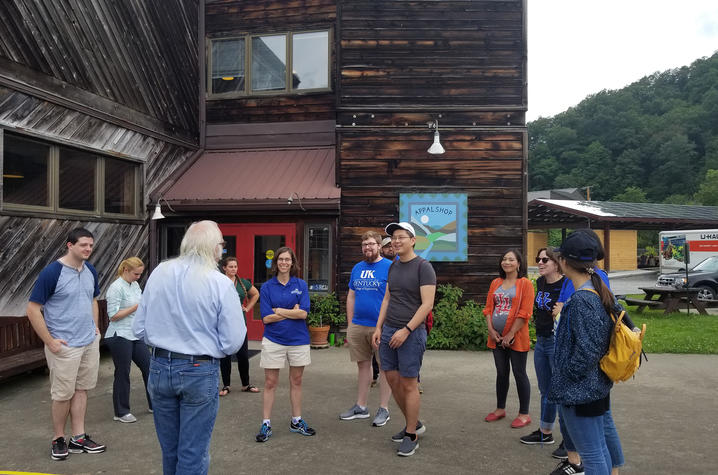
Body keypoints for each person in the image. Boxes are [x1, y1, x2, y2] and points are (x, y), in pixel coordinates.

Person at [133, 221, 246, 475]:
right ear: (214, 247)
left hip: (160, 365)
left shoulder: (160, 272)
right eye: (222, 244)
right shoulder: (219, 282)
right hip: (198, 368)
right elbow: (233, 341)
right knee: (193, 453)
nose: (222, 250)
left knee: (171, 451)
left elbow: (139, 328)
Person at [550, 229, 626, 475]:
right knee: (598, 450)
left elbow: (587, 351)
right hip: (595, 387)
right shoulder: (597, 291)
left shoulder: (583, 300)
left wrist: (566, 376)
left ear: (563, 261)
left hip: (580, 391)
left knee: (592, 455)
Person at [27, 227, 106, 461]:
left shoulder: (90, 269)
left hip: (88, 342)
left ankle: (78, 438)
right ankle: (58, 438)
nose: (88, 249)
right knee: (62, 394)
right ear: (69, 245)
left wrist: (95, 328)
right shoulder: (52, 272)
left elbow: (93, 299)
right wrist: (50, 341)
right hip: (64, 345)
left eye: (91, 245)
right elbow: (32, 310)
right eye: (83, 245)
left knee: (81, 390)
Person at [372, 222, 436, 457]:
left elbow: (427, 304)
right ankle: (414, 422)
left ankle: (411, 434)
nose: (396, 241)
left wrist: (407, 330)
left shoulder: (423, 267)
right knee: (391, 378)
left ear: (413, 240)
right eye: (393, 238)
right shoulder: (393, 267)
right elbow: (387, 299)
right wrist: (379, 327)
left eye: (401, 237)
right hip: (389, 330)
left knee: (409, 384)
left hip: (411, 333)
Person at [255, 247, 315, 443]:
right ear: (276, 263)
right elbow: (266, 318)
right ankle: (266, 423)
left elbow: (304, 314)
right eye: (281, 259)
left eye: (287, 259)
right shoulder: (267, 287)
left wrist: (279, 310)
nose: (284, 262)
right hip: (274, 340)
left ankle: (296, 421)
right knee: (270, 383)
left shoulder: (301, 284)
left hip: (298, 341)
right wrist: (292, 311)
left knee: (296, 381)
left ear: (292, 262)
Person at [340, 231, 393, 427]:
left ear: (379, 246)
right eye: (364, 245)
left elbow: (393, 297)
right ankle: (361, 407)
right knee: (363, 365)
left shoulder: (389, 267)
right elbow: (351, 296)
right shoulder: (357, 268)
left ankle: (384, 409)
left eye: (371, 244)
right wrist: (350, 323)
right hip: (358, 325)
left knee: (385, 368)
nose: (367, 248)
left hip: (381, 327)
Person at [483, 249, 534, 429]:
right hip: (496, 337)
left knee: (519, 373)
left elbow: (525, 312)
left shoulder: (525, 284)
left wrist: (510, 334)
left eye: (511, 259)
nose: (507, 262)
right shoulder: (496, 282)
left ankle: (524, 413)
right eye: (504, 259)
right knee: (501, 373)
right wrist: (491, 330)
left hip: (516, 337)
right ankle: (500, 409)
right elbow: (489, 308)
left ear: (519, 264)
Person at [520, 248, 564, 446]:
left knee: (561, 391)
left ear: (556, 262)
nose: (540, 262)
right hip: (542, 340)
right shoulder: (540, 282)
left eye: (545, 259)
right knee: (545, 390)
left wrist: (565, 306)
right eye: (538, 259)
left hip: (557, 342)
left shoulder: (567, 284)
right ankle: (545, 432)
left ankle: (570, 441)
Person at [105, 257, 152, 423]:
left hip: (134, 334)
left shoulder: (135, 285)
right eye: (136, 274)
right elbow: (113, 316)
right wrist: (136, 307)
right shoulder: (116, 288)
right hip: (119, 335)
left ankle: (154, 404)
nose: (138, 277)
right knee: (123, 372)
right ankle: (121, 411)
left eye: (140, 274)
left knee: (149, 366)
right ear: (126, 270)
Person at [218, 256, 260, 396]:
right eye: (230, 267)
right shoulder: (218, 282)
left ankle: (246, 384)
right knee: (225, 355)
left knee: (243, 355)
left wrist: (247, 308)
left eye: (235, 267)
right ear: (224, 268)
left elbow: (255, 294)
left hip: (240, 324)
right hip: (223, 323)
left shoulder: (243, 283)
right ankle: (226, 385)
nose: (233, 269)